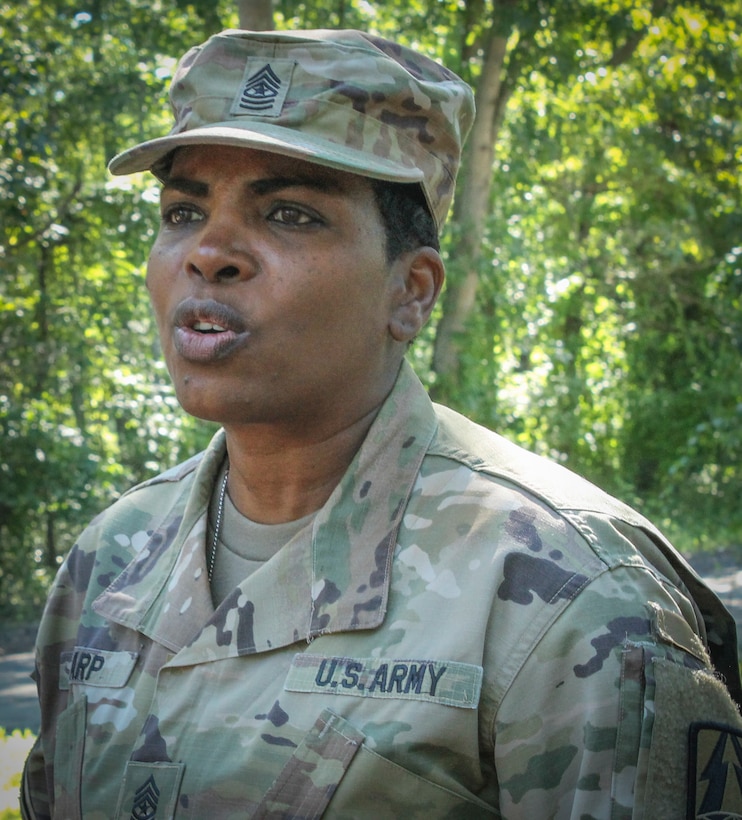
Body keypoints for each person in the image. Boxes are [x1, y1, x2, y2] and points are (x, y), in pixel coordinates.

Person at [21, 28, 742, 820]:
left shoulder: (569, 599)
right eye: (183, 210)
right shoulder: (108, 561)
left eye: (289, 213)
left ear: (412, 292)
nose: (210, 251)